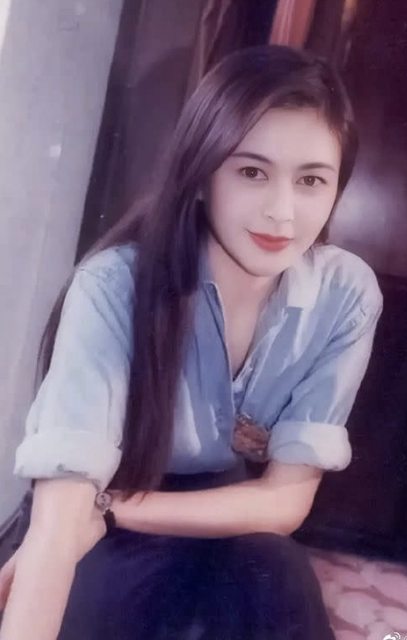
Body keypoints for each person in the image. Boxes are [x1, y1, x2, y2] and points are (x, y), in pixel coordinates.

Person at [0, 44, 383, 639]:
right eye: (252, 172)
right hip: (85, 517)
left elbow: (283, 503)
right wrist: (81, 522)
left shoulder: (345, 295)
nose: (282, 213)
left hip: (202, 514)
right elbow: (60, 521)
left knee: (277, 573)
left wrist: (111, 507)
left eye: (311, 180)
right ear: (202, 176)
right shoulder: (116, 286)